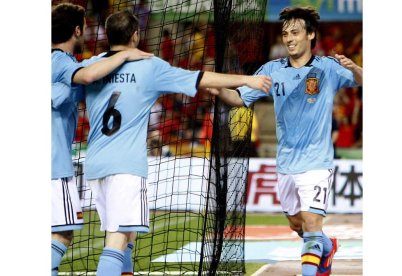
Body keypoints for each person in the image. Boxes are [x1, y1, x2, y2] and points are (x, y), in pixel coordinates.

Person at [80, 10, 271, 276]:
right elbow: (200, 77)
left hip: (96, 164)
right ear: (136, 35)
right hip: (126, 166)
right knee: (117, 241)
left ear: (108, 37)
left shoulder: (93, 66)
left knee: (127, 239)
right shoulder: (149, 65)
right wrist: (246, 80)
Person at [210, 6, 362, 276]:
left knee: (312, 224)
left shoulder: (327, 68)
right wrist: (214, 87)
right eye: (284, 33)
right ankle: (327, 247)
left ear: (311, 35)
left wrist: (356, 68)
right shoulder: (272, 70)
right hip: (286, 163)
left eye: (295, 32)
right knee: (297, 224)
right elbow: (238, 99)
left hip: (317, 161)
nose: (288, 38)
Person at [51, 3, 153, 276]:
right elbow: (86, 77)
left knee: (124, 232)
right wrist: (124, 56)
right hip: (54, 162)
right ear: (77, 30)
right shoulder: (63, 63)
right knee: (63, 235)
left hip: (82, 161)